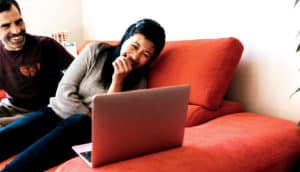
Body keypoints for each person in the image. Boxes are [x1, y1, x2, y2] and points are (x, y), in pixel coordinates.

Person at [0, 18, 166, 171]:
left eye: (145, 55)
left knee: (79, 122)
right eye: (134, 46)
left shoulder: (140, 83)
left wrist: (118, 80)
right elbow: (64, 89)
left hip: (84, 130)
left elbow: (107, 122)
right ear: (125, 39)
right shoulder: (95, 51)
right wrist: (90, 114)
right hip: (55, 113)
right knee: (10, 135)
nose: (136, 56)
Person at [0, 0, 74, 127]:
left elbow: (80, 73)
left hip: (49, 109)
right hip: (13, 108)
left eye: (19, 22)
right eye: (6, 25)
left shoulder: (46, 45)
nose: (16, 30)